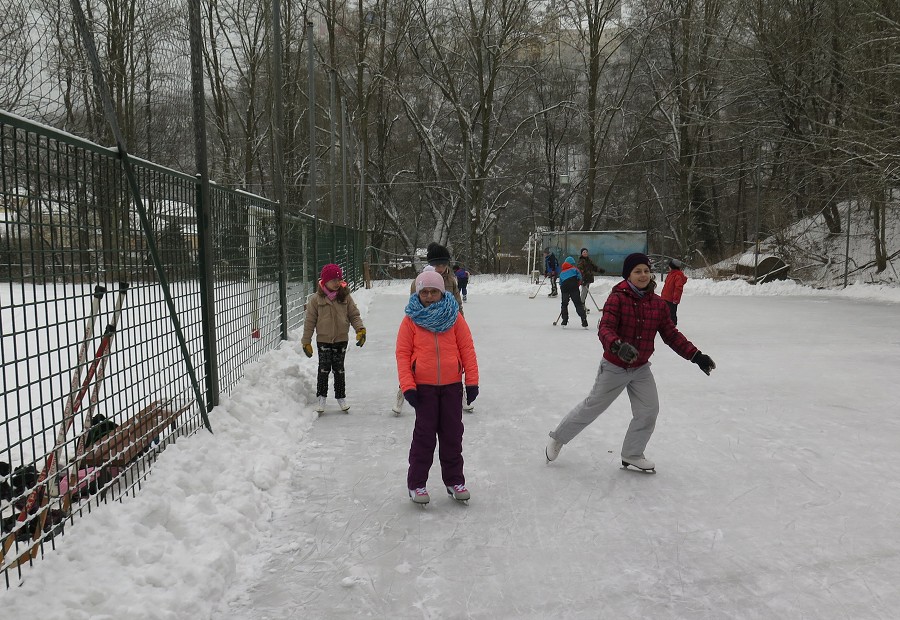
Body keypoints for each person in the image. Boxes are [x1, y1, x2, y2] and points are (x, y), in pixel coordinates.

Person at [545, 253, 715, 472]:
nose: (643, 275)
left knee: (648, 410)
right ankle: (558, 438)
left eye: (646, 270)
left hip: (641, 368)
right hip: (615, 366)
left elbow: (671, 335)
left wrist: (696, 356)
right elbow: (605, 328)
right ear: (628, 275)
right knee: (592, 407)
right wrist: (617, 346)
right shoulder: (617, 298)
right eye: (637, 271)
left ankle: (632, 453)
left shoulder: (657, 303)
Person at [396, 268, 479, 505]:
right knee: (424, 437)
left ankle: (454, 480)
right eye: (425, 292)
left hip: (452, 386)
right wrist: (408, 386)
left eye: (434, 292)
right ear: (418, 293)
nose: (429, 296)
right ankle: (417, 484)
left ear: (443, 293)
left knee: (453, 435)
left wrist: (471, 381)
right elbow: (402, 354)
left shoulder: (454, 318)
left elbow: (467, 349)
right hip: (424, 389)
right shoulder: (411, 320)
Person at [394, 244, 472, 414]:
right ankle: (403, 391)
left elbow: (457, 303)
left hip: (448, 328)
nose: (440, 268)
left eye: (443, 264)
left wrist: (461, 323)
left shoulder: (451, 280)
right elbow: (414, 305)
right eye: (437, 265)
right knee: (414, 363)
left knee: (454, 362)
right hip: (424, 330)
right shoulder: (421, 281)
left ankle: (461, 393)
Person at [301, 263, 366, 414]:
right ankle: (321, 397)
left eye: (339, 279)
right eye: (333, 280)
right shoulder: (316, 300)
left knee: (339, 369)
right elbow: (310, 322)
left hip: (341, 340)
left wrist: (360, 329)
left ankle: (341, 397)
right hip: (323, 340)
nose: (337, 283)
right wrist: (306, 341)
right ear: (324, 281)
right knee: (323, 369)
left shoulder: (345, 297)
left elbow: (354, 315)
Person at [558, 255, 588, 328]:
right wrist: (578, 284)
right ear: (571, 263)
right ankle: (584, 320)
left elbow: (560, 282)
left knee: (564, 304)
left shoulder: (562, 272)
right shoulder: (575, 269)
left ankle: (564, 320)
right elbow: (580, 278)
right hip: (573, 287)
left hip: (564, 288)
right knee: (578, 303)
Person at [576, 248, 605, 312]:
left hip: (588, 278)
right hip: (584, 279)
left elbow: (593, 267)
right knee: (584, 292)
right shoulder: (581, 261)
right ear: (581, 253)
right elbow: (580, 271)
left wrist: (600, 270)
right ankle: (581, 305)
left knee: (585, 292)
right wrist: (582, 279)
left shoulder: (589, 260)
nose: (585, 253)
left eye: (586, 252)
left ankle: (582, 304)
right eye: (584, 252)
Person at [660, 258, 687, 325]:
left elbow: (678, 288)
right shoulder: (670, 274)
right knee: (665, 312)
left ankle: (673, 325)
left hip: (671, 299)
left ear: (672, 267)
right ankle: (666, 325)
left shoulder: (677, 275)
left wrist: (676, 299)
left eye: (669, 266)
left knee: (672, 313)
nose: (668, 267)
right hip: (665, 297)